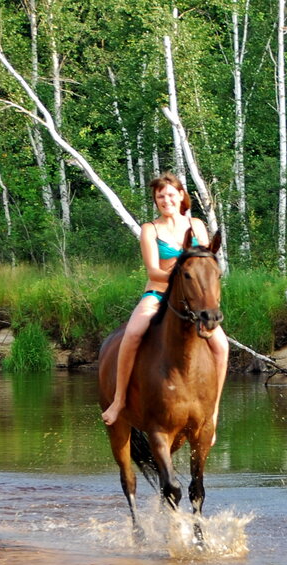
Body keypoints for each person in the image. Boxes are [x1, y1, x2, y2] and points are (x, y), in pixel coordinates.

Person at [101, 174, 229, 436]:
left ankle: (213, 412)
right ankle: (119, 400)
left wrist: (196, 280)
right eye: (161, 196)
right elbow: (153, 271)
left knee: (221, 345)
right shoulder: (151, 229)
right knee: (133, 333)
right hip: (158, 295)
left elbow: (203, 263)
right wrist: (180, 274)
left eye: (171, 194)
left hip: (192, 300)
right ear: (156, 200)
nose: (166, 200)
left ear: (182, 195)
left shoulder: (197, 225)